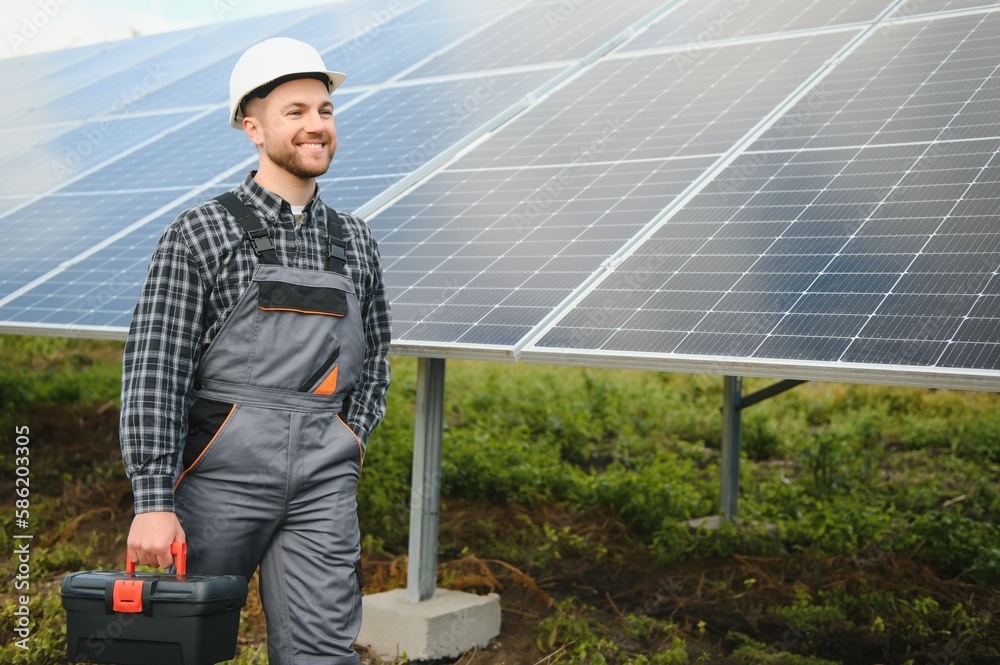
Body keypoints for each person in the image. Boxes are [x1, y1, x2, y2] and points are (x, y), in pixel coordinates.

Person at [119, 37, 391, 664]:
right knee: (182, 644)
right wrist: (155, 500)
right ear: (252, 126)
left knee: (321, 649)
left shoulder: (356, 240)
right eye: (294, 112)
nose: (315, 125)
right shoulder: (199, 233)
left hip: (324, 478)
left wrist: (348, 435)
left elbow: (375, 358)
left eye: (324, 110)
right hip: (219, 477)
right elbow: (154, 372)